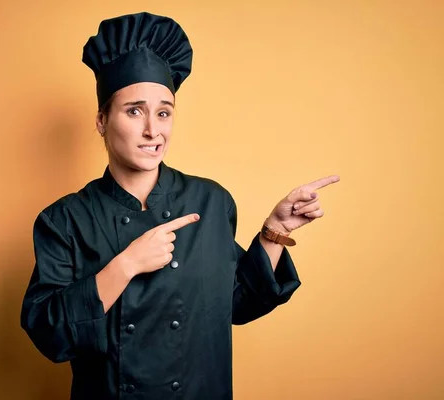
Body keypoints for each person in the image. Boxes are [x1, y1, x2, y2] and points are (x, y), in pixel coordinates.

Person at [21, 11, 339, 400]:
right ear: (102, 120)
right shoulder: (64, 220)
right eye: (134, 111)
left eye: (164, 112)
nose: (153, 130)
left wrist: (276, 231)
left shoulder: (210, 201)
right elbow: (48, 332)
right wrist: (126, 265)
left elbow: (236, 304)